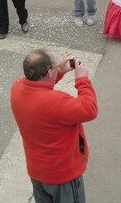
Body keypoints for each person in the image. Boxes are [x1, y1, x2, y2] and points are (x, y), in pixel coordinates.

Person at [10, 49, 98, 203]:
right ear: (49, 72)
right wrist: (82, 79)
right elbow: (89, 109)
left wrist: (60, 71)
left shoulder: (17, 87)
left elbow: (39, 85)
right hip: (62, 175)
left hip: (37, 171)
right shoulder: (56, 102)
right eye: (56, 64)